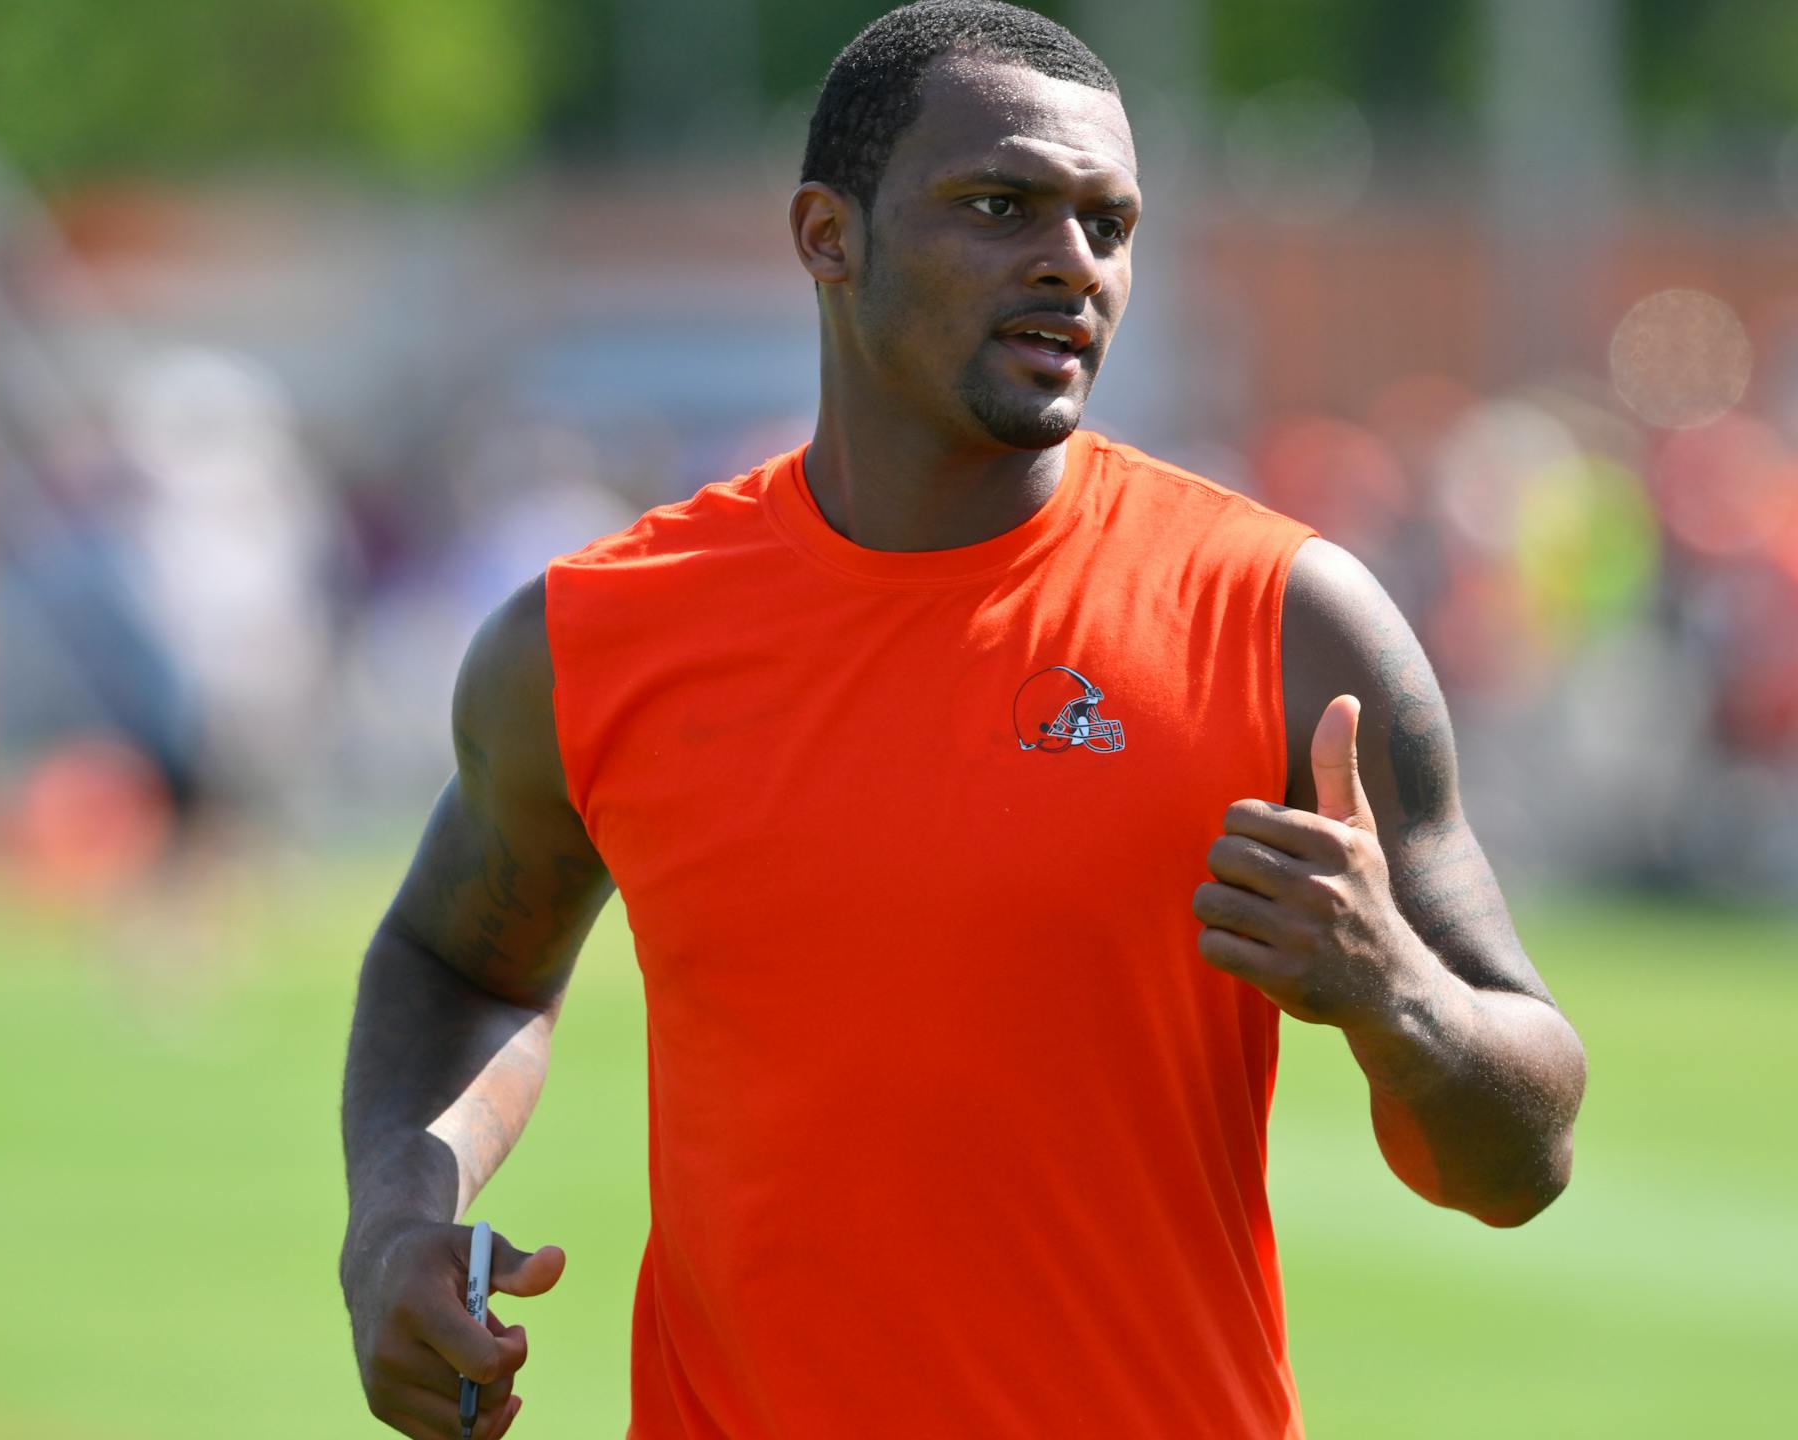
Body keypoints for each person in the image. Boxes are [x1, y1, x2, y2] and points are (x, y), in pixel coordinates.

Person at [339, 3, 1587, 1436]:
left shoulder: (1292, 624)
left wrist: (1396, 997)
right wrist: (396, 1221)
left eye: (1108, 226)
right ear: (828, 235)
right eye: (1001, 207)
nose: (1072, 264)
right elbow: (460, 961)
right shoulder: (597, 638)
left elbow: (1521, 1161)